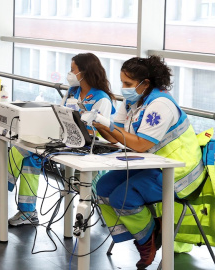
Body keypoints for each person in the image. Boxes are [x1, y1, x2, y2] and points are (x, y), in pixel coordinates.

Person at [0, 53, 116, 226]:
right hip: (65, 139)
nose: (69, 73)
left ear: (85, 72)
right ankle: (27, 213)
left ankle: (1, 192)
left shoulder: (102, 99)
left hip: (86, 147)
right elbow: (61, 114)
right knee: (31, 156)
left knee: (21, 149)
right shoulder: (73, 92)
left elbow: (97, 131)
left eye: (73, 70)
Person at [94, 56, 206, 269]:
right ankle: (147, 230)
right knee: (103, 187)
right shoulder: (132, 100)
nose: (123, 88)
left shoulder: (160, 104)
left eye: (127, 84)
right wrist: (96, 123)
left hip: (179, 170)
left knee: (121, 197)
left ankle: (146, 240)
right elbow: (114, 135)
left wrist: (108, 125)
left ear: (145, 83)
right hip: (151, 163)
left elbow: (141, 144)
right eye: (122, 83)